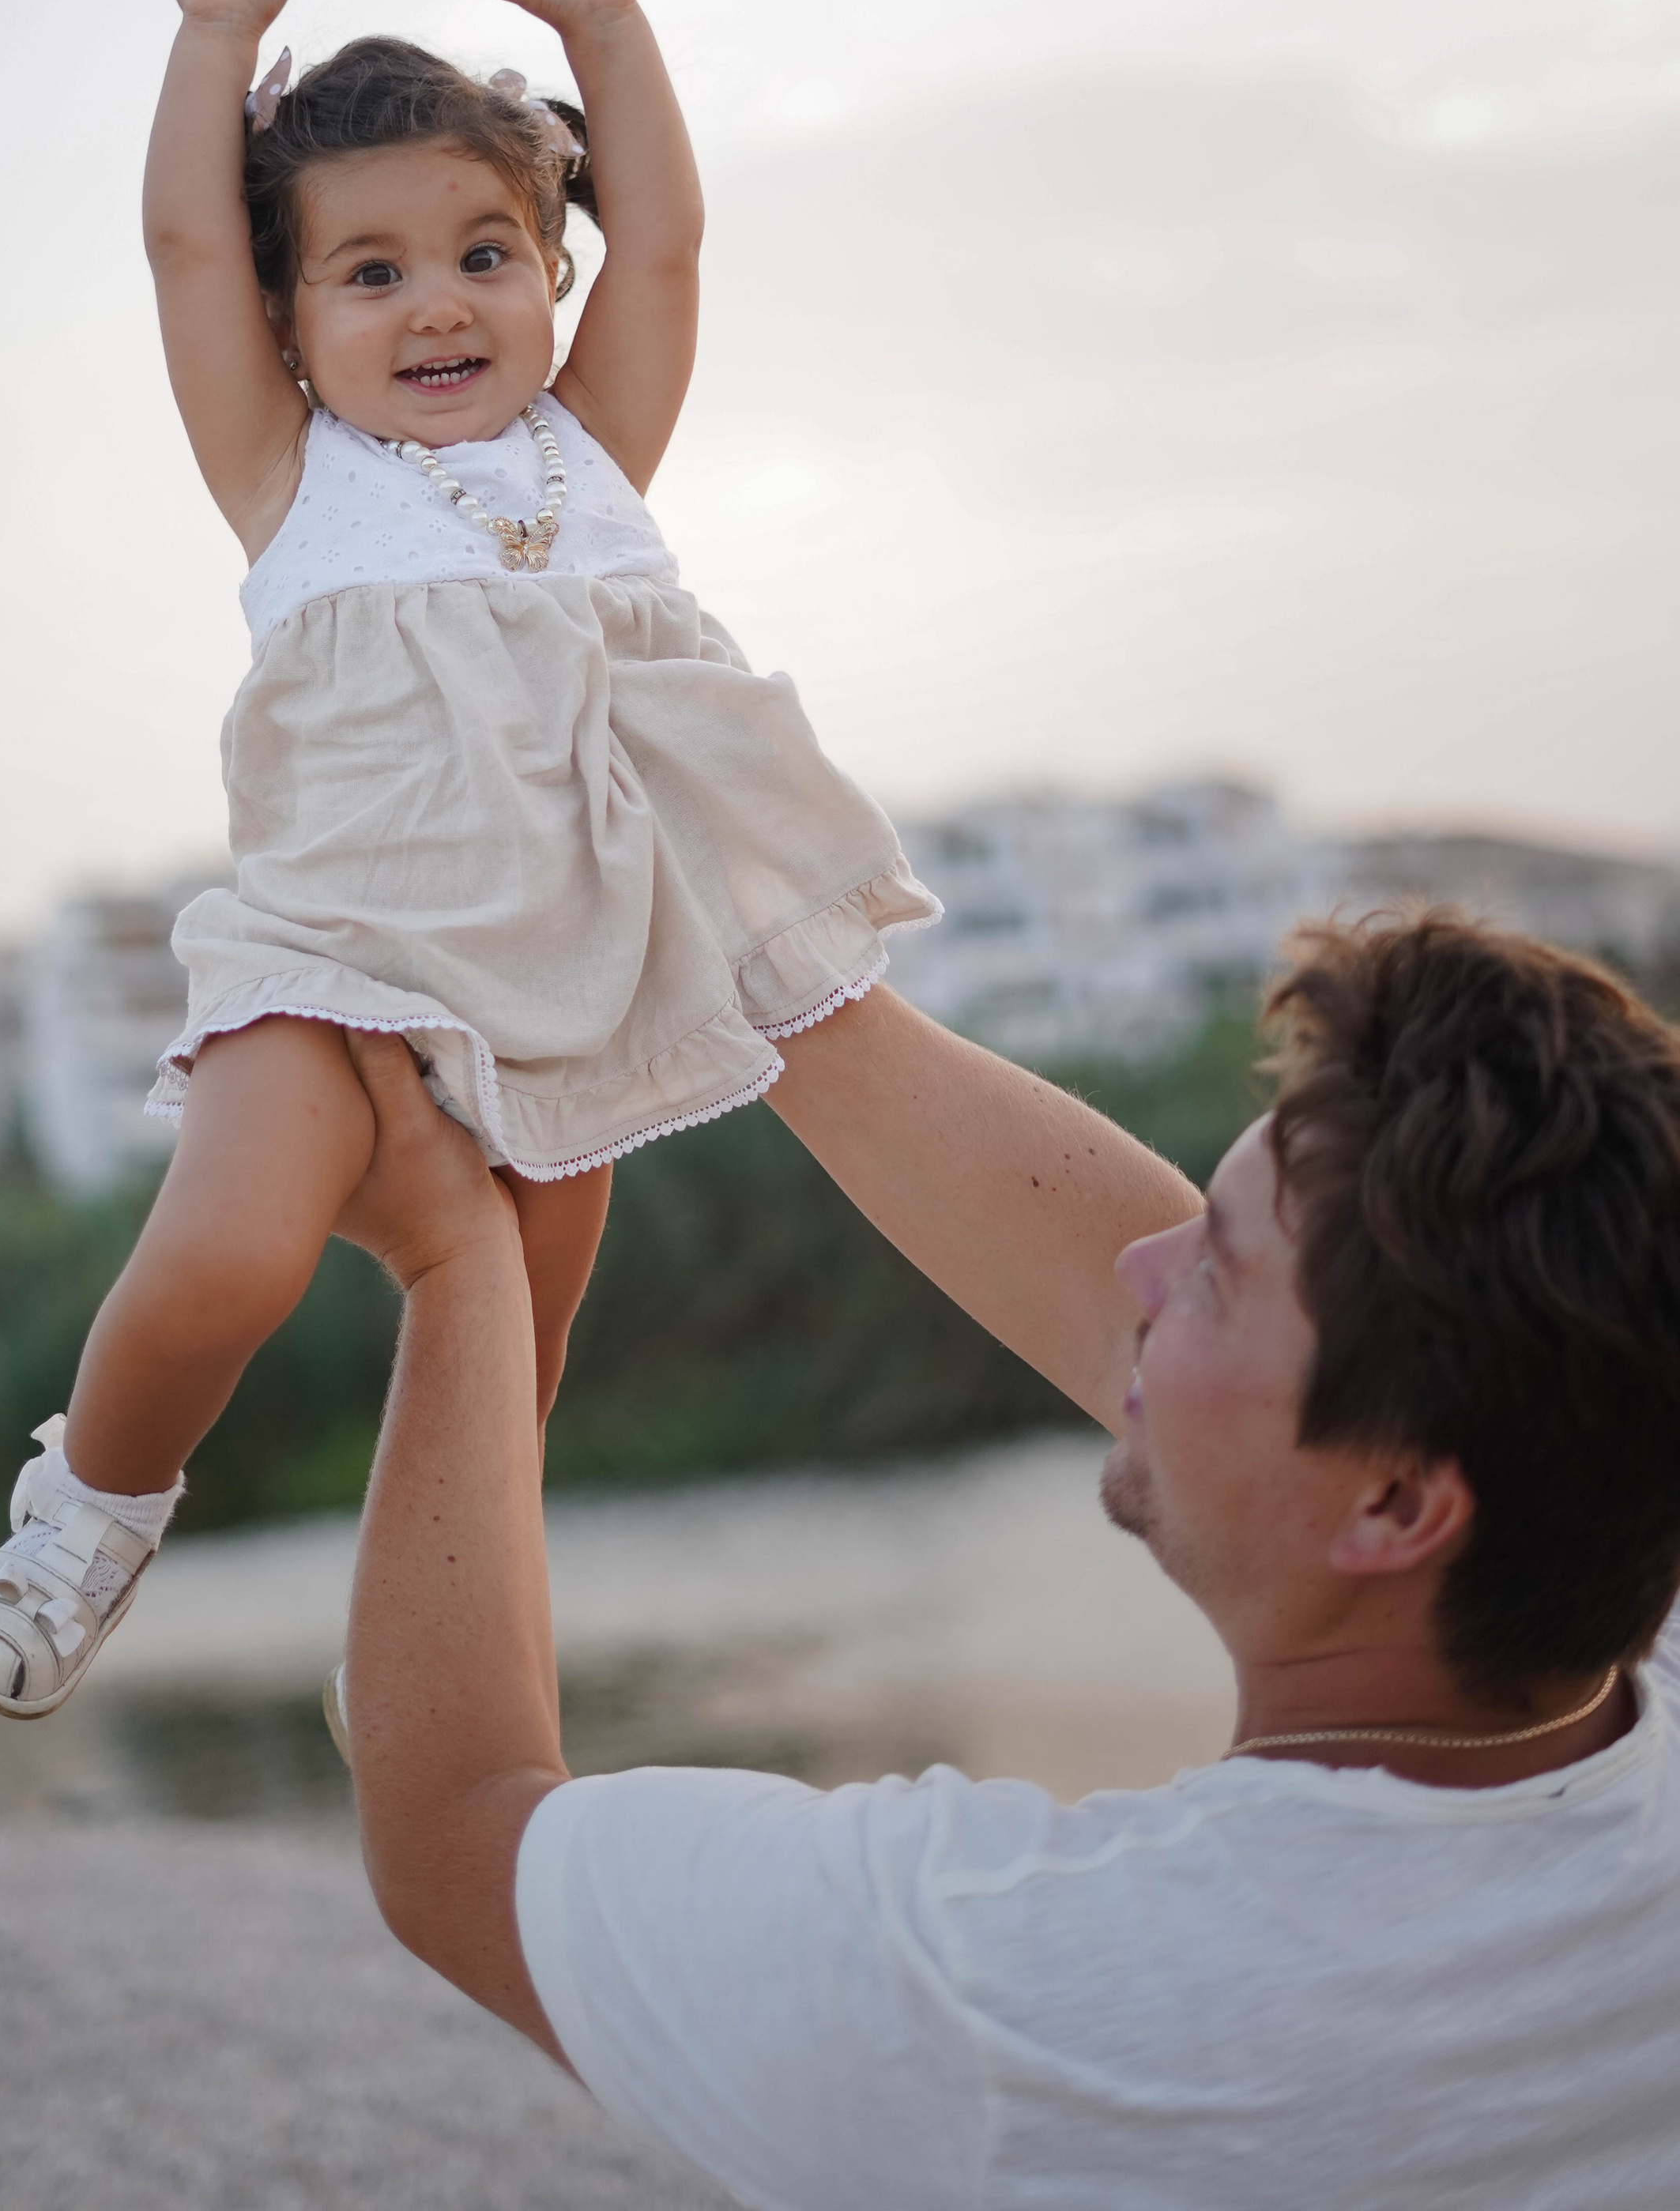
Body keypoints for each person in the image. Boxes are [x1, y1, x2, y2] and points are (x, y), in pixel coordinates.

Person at [0, 0, 936, 1719]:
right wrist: (209, 42)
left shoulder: (592, 457)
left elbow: (676, 248)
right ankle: (87, 1513)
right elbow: (176, 249)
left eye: (485, 252)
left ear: (548, 276)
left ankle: (422, 1626)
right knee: (226, 1251)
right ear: (292, 319)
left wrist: (607, 33)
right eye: (368, 272)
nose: (439, 303)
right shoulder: (295, 484)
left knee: (504, 1374)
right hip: (324, 968)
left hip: (565, 991)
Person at [331, 913, 1680, 2210]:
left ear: (1393, 1506)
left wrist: (459, 1268)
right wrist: (752, 955)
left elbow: (456, 1826)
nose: (1143, 1267)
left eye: (1217, 1275)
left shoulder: (1037, 1999)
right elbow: (1158, 1330)